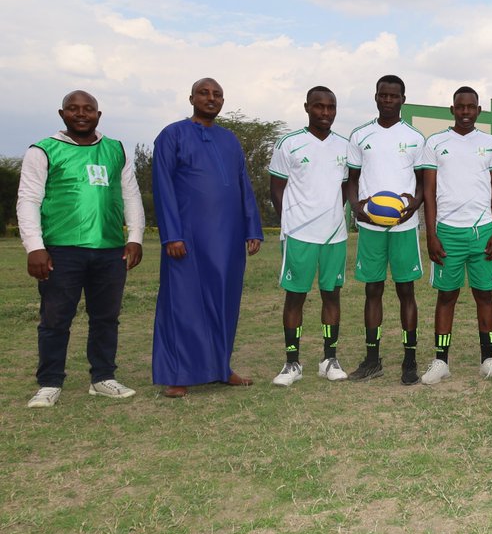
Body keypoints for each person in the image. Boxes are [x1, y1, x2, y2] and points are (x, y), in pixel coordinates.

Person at [18, 91, 145, 408]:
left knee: (106, 318)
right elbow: (29, 200)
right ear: (62, 114)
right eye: (73, 109)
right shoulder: (42, 150)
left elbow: (130, 195)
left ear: (98, 115)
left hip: (110, 249)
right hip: (61, 250)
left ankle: (103, 378)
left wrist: (135, 237)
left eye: (88, 109)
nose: (81, 113)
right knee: (55, 320)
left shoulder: (116, 149)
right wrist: (34, 247)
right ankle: (49, 382)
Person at [152, 78, 263, 398]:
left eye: (217, 94)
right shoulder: (172, 135)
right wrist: (171, 235)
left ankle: (220, 368)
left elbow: (243, 184)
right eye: (204, 93)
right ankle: (178, 374)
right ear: (191, 98)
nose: (211, 98)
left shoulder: (230, 139)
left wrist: (252, 227)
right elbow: (162, 187)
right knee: (183, 304)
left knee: (224, 302)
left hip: (227, 238)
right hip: (187, 238)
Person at [418, 86, 492, 384]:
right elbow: (429, 191)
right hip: (447, 232)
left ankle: (488, 360)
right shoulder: (435, 142)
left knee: (485, 294)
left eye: (471, 107)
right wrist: (431, 233)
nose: (465, 112)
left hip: (482, 231)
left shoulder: (490, 143)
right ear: (452, 109)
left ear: (478, 110)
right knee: (446, 296)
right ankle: (441, 361)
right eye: (460, 107)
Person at [267, 86, 351, 387]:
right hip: (299, 234)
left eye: (331, 107)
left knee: (332, 295)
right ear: (307, 107)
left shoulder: (345, 146)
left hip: (334, 235)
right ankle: (292, 363)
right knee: (295, 296)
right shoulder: (289, 143)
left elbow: (345, 188)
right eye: (319, 106)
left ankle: (330, 359)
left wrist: (330, 215)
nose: (325, 112)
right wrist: (290, 222)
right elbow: (276, 188)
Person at [346, 75, 425, 384]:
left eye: (394, 96)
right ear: (376, 97)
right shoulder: (360, 135)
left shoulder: (415, 137)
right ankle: (372, 359)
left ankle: (410, 360)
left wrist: (414, 205)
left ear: (403, 99)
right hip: (371, 227)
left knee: (406, 290)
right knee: (372, 290)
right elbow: (352, 180)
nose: (388, 100)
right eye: (383, 95)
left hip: (404, 227)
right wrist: (357, 208)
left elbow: (423, 182)